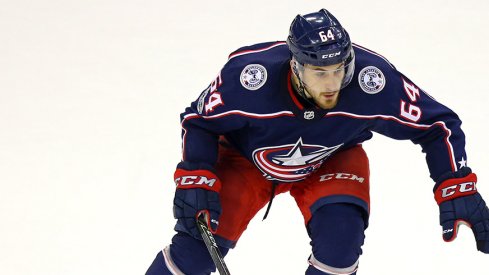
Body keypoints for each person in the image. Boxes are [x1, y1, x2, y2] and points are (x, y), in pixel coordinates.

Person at [146, 9, 489, 275]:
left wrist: (456, 184)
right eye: (319, 73)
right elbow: (199, 121)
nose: (333, 83)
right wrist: (195, 176)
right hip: (244, 160)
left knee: (341, 244)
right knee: (193, 252)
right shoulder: (248, 78)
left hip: (331, 157)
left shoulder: (373, 81)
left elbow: (437, 123)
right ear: (295, 67)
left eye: (340, 69)